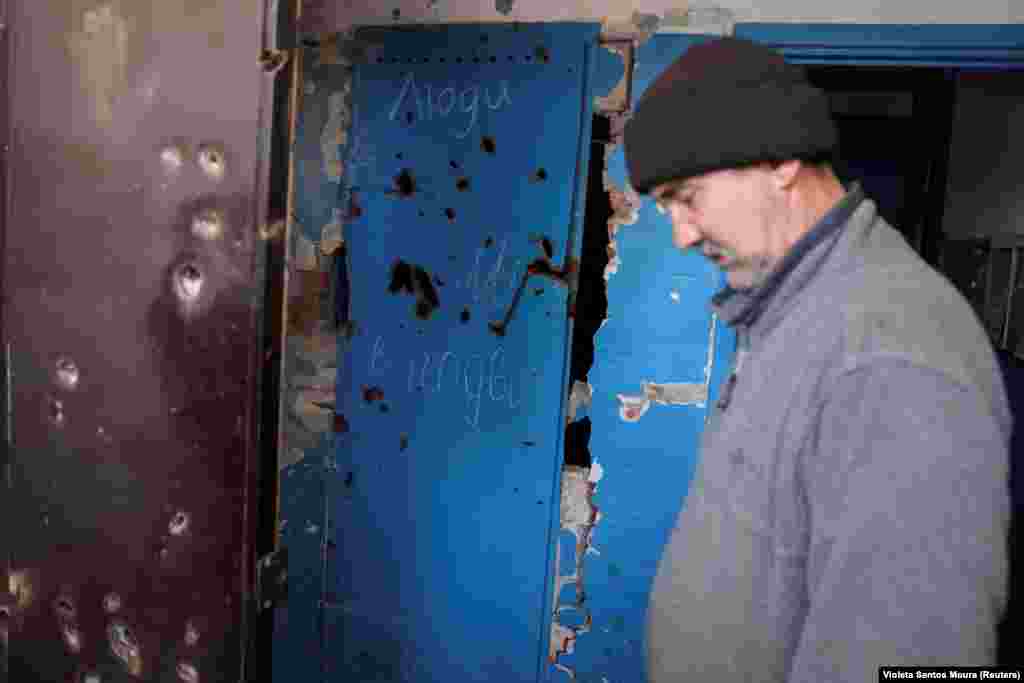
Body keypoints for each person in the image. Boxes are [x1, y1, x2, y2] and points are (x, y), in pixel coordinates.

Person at [623, 36, 1012, 681]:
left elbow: (912, 659)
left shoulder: (891, 350)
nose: (682, 234)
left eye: (686, 197)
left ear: (778, 160)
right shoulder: (799, 310)